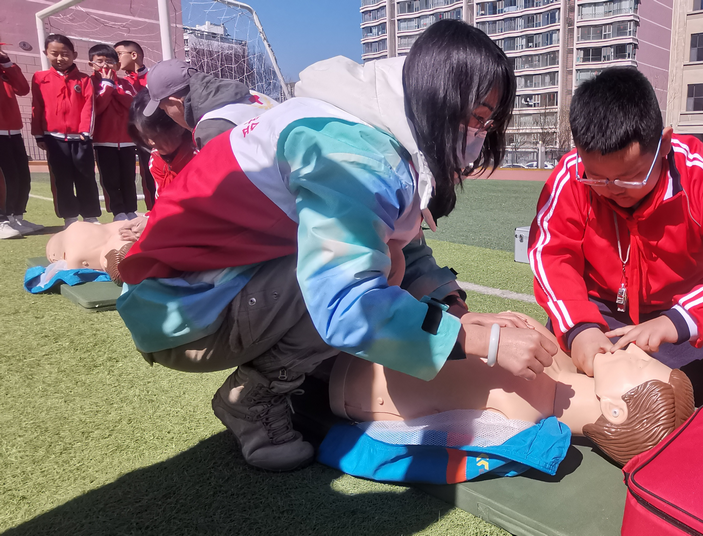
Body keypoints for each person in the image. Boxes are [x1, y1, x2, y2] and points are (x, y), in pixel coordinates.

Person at [115, 20, 556, 472]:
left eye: (488, 122)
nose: (481, 134)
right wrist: (481, 340)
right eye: (477, 118)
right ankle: (254, 397)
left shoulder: (372, 124)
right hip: (181, 312)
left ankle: (304, 364)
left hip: (208, 284)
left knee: (385, 259)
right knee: (373, 272)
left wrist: (456, 310)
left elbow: (403, 239)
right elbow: (348, 301)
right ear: (439, 98)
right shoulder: (353, 153)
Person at [528, 67, 703, 406]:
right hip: (599, 305)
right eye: (597, 178)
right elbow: (551, 254)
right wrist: (580, 326)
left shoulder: (697, 175)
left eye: (631, 177)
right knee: (553, 372)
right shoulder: (571, 176)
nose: (613, 190)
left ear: (665, 144)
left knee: (686, 393)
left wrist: (677, 321)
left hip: (675, 311)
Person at [331, 315, 695, 466]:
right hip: (370, 329)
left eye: (639, 366)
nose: (636, 351)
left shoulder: (518, 413)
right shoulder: (555, 365)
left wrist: (480, 337)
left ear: (615, 409)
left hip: (344, 366)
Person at [32, 34, 101, 229]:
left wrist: (85, 132)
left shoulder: (84, 79)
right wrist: (39, 134)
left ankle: (90, 216)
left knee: (86, 176)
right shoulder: (39, 78)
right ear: (46, 53)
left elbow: (89, 107)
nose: (60, 58)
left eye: (65, 54)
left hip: (80, 138)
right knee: (62, 178)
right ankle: (69, 217)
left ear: (74, 55)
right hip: (54, 138)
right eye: (54, 53)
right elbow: (37, 106)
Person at [143, 59, 276, 150]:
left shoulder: (209, 129)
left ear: (176, 103)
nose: (167, 115)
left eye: (164, 109)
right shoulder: (254, 95)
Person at [89, 44, 138, 222]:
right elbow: (96, 108)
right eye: (100, 61)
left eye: (109, 61)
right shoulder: (90, 83)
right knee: (110, 179)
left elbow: (133, 105)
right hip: (104, 141)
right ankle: (118, 212)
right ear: (91, 64)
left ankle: (131, 210)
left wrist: (114, 89)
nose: (105, 65)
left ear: (117, 65)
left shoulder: (126, 84)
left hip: (127, 140)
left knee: (128, 178)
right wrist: (107, 86)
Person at [0, 43, 40, 236]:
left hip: (13, 131)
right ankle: (2, 220)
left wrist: (7, 63)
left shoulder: (5, 69)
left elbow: (23, 89)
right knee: (5, 178)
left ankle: (16, 217)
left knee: (21, 176)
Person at [127, 89, 196, 199]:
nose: (151, 142)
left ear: (178, 127)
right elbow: (163, 200)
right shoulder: (156, 159)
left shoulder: (200, 153)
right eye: (144, 137)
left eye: (155, 136)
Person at [115, 40, 154, 210]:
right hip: (133, 138)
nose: (115, 59)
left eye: (118, 54)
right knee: (145, 175)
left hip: (157, 134)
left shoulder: (154, 77)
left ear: (133, 55)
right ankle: (153, 210)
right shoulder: (121, 82)